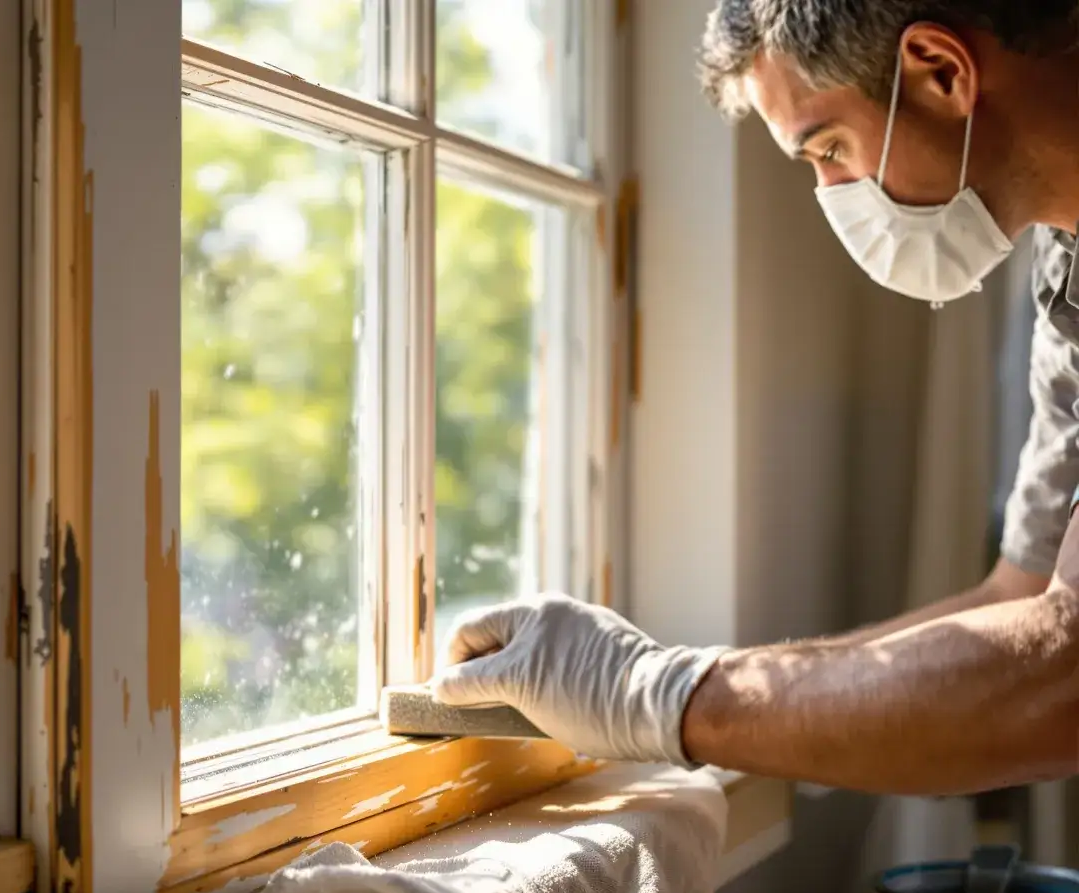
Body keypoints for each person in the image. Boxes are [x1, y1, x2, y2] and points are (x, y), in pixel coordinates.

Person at [431, 0, 1079, 796]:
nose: (832, 193)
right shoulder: (1067, 269)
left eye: (830, 147)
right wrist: (756, 701)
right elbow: (1022, 598)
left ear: (941, 72)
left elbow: (1060, 677)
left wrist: (656, 695)